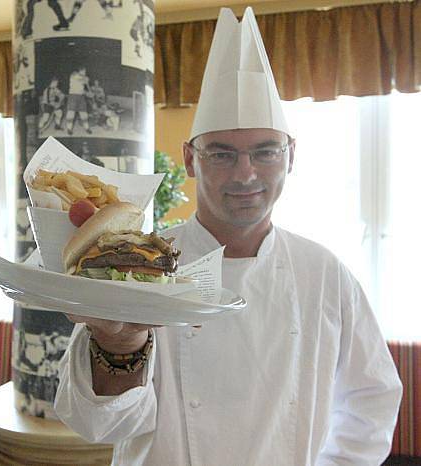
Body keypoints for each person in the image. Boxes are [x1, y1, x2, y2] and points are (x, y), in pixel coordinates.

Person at [54, 7, 402, 466]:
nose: (246, 174)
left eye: (265, 151)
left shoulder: (324, 272)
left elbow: (371, 397)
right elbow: (99, 425)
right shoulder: (137, 266)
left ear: (291, 156)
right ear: (191, 159)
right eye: (222, 154)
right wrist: (120, 346)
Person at [65, 67, 92, 136]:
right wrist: (85, 79)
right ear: (81, 70)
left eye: (85, 72)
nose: (85, 73)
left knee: (84, 113)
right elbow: (80, 78)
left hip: (81, 97)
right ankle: (69, 129)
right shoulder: (74, 74)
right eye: (84, 71)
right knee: (71, 113)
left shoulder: (83, 78)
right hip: (73, 96)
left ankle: (87, 128)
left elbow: (81, 89)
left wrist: (88, 93)